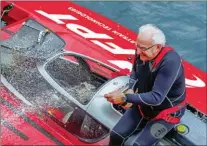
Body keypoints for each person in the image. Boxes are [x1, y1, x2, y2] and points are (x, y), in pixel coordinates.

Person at [104, 24, 186, 146]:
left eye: (142, 48)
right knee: (116, 134)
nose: (137, 51)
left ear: (157, 47)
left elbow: (157, 98)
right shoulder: (143, 50)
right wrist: (131, 89)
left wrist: (125, 98)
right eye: (137, 46)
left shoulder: (170, 62)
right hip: (143, 105)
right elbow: (135, 72)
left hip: (165, 112)